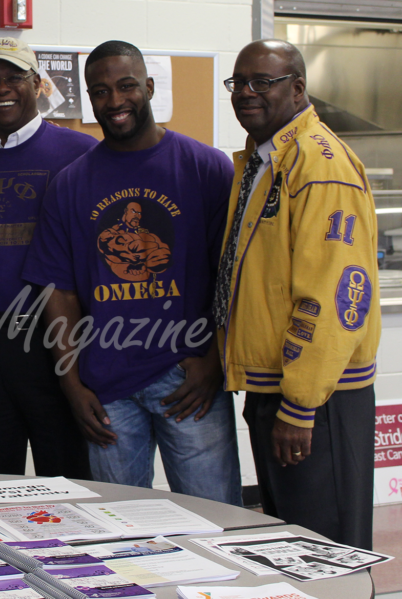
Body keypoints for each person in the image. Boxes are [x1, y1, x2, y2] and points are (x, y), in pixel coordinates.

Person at [22, 41, 241, 505]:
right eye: (100, 92)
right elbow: (58, 291)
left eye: (126, 87)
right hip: (107, 385)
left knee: (217, 517)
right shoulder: (71, 184)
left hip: (189, 376)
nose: (115, 101)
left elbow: (233, 274)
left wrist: (215, 357)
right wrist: (71, 381)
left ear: (149, 88)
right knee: (120, 528)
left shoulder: (206, 168)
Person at [218, 40, 380, 549]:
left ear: (298, 88)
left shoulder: (318, 164)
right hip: (275, 388)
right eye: (238, 83)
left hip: (318, 400)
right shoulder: (263, 160)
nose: (246, 93)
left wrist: (300, 405)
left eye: (261, 82)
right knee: (292, 547)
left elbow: (334, 296)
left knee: (324, 550)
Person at [0, 37, 96, 478]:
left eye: (14, 77)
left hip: (56, 339)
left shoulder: (78, 153)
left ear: (38, 84)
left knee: (66, 475)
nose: (1, 88)